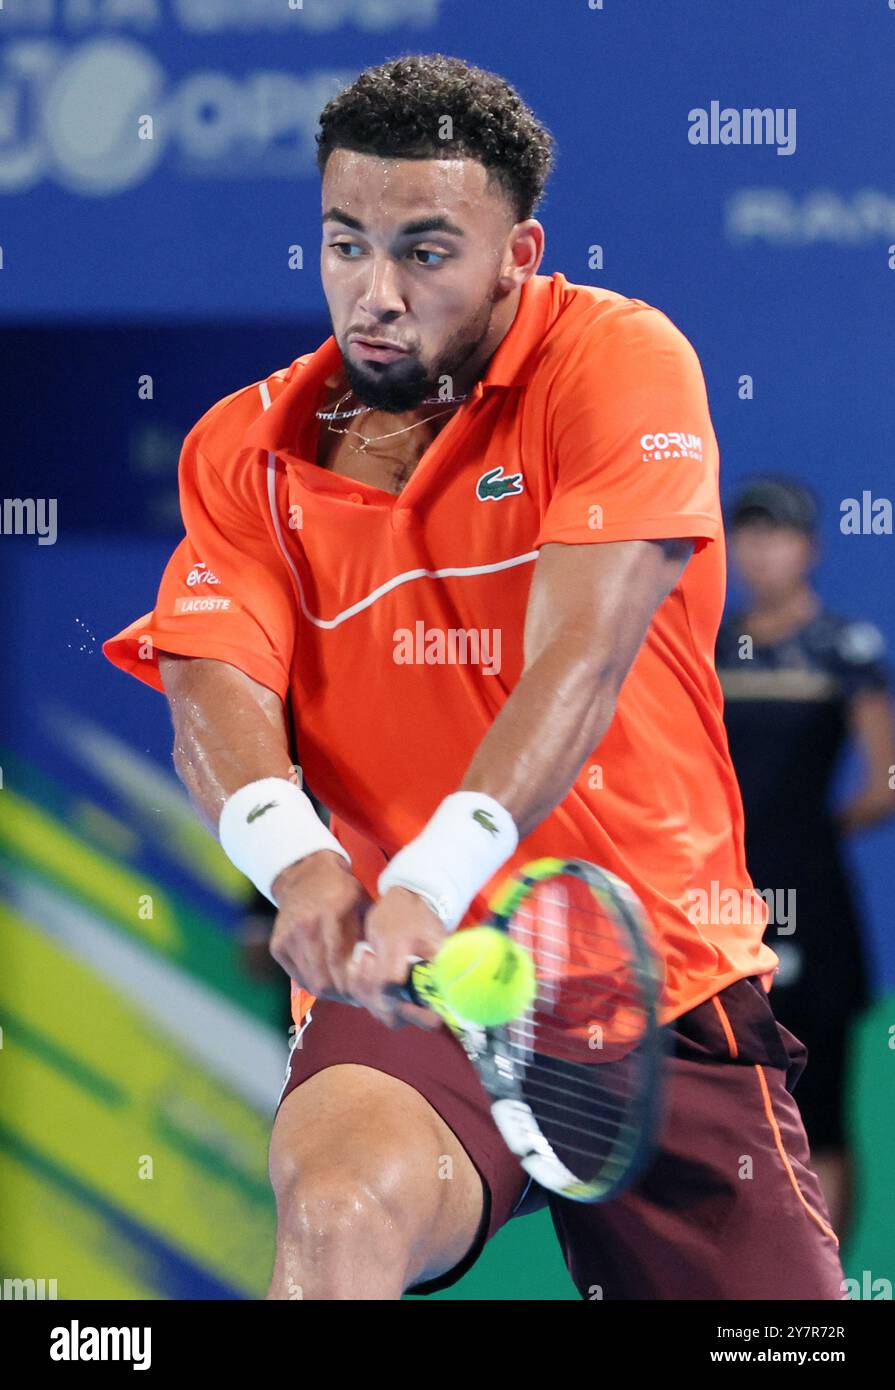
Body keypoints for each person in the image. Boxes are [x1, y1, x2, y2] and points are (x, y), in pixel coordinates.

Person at [103, 54, 845, 1300]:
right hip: (416, 991)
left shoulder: (616, 362)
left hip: (661, 979)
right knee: (337, 1214)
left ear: (519, 249)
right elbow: (212, 682)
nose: (374, 294)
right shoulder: (246, 447)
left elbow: (584, 648)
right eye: (345, 244)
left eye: (425, 251)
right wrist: (301, 865)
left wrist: (435, 875)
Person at [716, 476, 895, 1240]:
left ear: (809, 549)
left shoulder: (842, 648)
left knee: (816, 1109)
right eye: (746, 534)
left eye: (777, 535)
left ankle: (821, 1293)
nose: (759, 551)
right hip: (716, 908)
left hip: (814, 908)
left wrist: (805, 838)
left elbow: (884, 777)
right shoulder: (708, 645)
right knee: (721, 1109)